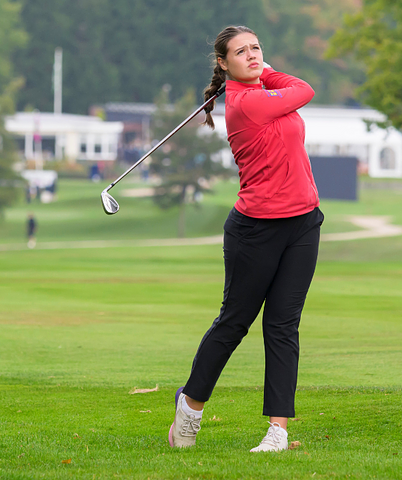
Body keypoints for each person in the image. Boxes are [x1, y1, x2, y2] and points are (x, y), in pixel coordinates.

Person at [168, 25, 323, 453]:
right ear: (223, 63)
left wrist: (260, 71)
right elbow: (304, 89)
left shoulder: (258, 93)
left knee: (282, 326)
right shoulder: (246, 103)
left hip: (302, 222)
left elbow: (292, 91)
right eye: (241, 52)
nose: (253, 55)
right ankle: (191, 408)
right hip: (256, 230)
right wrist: (267, 73)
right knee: (235, 323)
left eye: (256, 48)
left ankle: (278, 431)